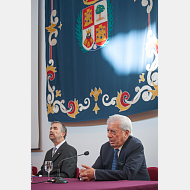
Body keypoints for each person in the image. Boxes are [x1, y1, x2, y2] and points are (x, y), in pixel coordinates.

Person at [79, 114, 150, 181]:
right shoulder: (105, 147)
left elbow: (127, 174)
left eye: (113, 131)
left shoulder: (135, 146)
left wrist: (95, 174)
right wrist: (86, 174)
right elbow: (95, 170)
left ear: (126, 133)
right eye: (108, 131)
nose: (108, 135)